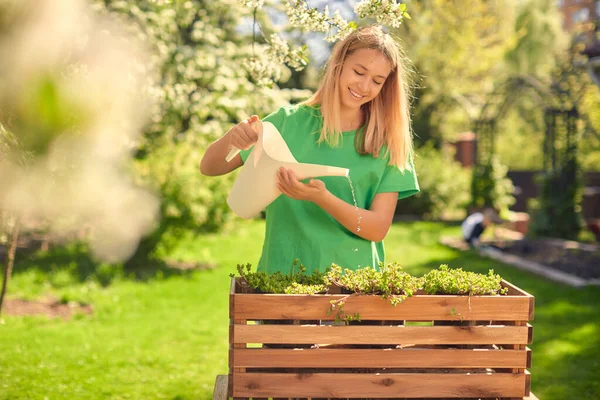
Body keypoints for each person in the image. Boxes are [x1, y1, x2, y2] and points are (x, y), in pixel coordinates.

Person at [200, 25, 420, 275]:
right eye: (359, 72)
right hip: (282, 282)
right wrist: (233, 137)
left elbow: (377, 228)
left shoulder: (388, 142)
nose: (364, 86)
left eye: (377, 81)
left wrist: (322, 198)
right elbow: (210, 167)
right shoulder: (287, 123)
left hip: (354, 291)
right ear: (339, 63)